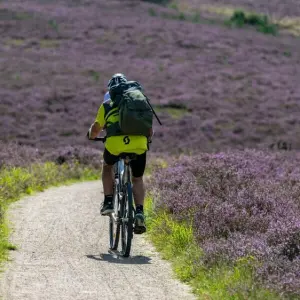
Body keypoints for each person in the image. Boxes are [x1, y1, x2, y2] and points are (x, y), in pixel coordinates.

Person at [87, 73, 152, 234]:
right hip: (139, 145)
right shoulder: (138, 102)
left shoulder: (107, 105)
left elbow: (96, 128)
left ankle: (108, 202)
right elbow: (149, 130)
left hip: (115, 145)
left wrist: (91, 135)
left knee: (107, 166)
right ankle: (139, 212)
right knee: (137, 178)